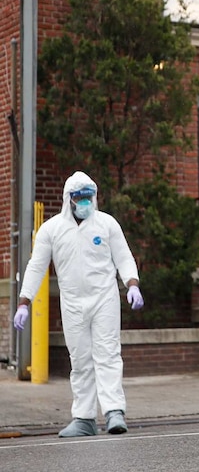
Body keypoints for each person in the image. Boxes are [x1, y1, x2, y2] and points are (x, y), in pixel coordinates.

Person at [13, 171, 144, 437]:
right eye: (80, 198)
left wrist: (132, 284)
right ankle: (83, 418)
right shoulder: (52, 230)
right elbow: (36, 266)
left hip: (104, 297)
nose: (85, 202)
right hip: (72, 302)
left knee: (107, 354)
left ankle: (114, 412)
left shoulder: (106, 224)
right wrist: (24, 301)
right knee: (80, 360)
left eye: (89, 197)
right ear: (68, 199)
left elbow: (123, 257)